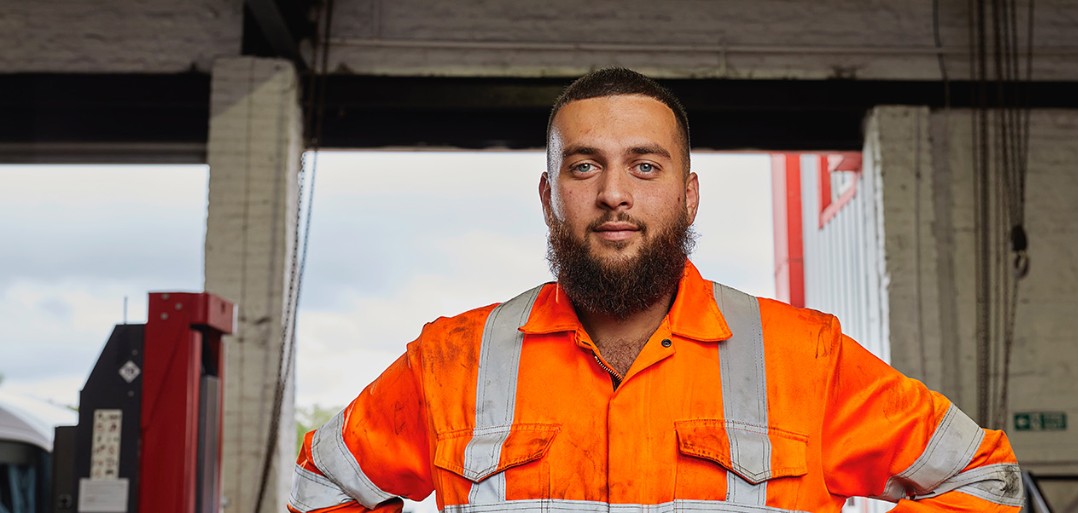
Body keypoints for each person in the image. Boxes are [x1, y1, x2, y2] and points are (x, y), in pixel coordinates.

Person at [288, 68, 1022, 513]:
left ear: (689, 194)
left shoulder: (805, 357)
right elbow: (324, 480)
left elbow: (987, 477)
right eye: (584, 167)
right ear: (549, 194)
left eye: (645, 166)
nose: (614, 194)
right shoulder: (451, 359)